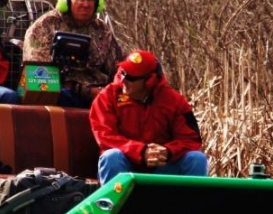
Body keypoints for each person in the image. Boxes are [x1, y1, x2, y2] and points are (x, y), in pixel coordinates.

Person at [89, 49, 209, 184]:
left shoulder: (174, 101)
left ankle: (191, 204)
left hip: (162, 168)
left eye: (131, 77)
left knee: (197, 159)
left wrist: (168, 152)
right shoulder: (107, 97)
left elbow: (190, 139)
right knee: (111, 157)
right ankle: (115, 204)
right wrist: (141, 152)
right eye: (122, 73)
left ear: (149, 81)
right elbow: (105, 137)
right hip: (125, 166)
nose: (124, 80)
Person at [22, 0, 123, 108]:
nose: (86, 5)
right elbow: (41, 74)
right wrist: (86, 91)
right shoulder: (45, 25)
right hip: (61, 92)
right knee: (62, 96)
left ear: (97, 3)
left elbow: (117, 66)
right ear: (66, 1)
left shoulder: (102, 29)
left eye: (90, 0)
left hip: (99, 93)